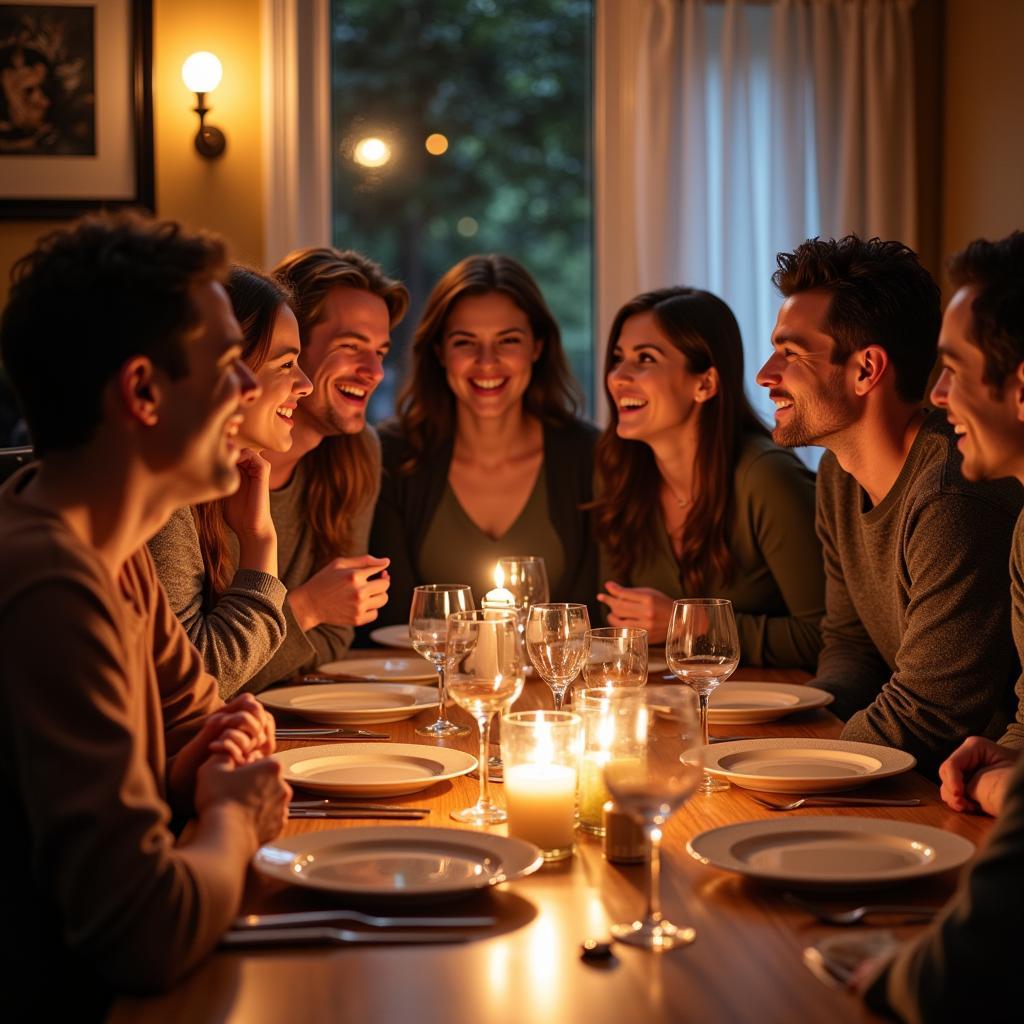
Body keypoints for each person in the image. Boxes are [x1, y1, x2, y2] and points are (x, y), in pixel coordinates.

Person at [0, 212, 291, 1016]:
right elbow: (141, 931)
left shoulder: (109, 544)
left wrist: (197, 773)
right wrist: (232, 818)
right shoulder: (52, 580)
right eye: (231, 365)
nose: (248, 392)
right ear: (141, 391)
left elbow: (205, 724)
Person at [756, 234, 1023, 776]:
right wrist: (805, 725)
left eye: (789, 354)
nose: (766, 375)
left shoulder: (954, 494)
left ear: (866, 370)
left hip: (948, 790)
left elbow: (932, 711)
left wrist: (795, 766)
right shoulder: (837, 475)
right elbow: (851, 646)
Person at [593, 287, 823, 669]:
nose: (617, 377)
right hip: (667, 710)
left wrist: (692, 625)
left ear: (705, 384)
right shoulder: (621, 476)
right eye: (618, 359)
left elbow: (829, 639)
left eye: (645, 359)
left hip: (778, 714)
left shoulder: (767, 478)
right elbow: (616, 624)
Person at [369, 253, 599, 622]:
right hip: (421, 679)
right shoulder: (391, 455)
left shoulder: (590, 456)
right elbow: (392, 623)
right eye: (465, 342)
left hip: (555, 680)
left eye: (508, 341)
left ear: (537, 347)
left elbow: (596, 619)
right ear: (440, 351)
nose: (487, 361)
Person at [240, 247, 407, 687]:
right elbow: (200, 677)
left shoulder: (358, 452)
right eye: (350, 346)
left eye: (381, 352)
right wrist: (306, 607)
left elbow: (337, 634)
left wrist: (281, 640)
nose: (373, 371)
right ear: (289, 345)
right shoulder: (212, 469)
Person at [148, 267, 312, 697]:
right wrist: (260, 544)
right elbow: (201, 678)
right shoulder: (158, 500)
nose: (305, 384)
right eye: (287, 363)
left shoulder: (202, 489)